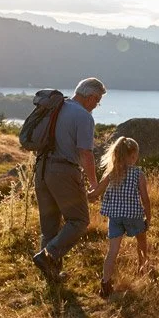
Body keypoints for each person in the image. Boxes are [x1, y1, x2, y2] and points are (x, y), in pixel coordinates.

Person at [32, 77, 106, 284]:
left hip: (41, 169)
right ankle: (48, 255)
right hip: (63, 171)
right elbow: (86, 154)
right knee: (79, 220)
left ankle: (52, 276)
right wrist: (94, 183)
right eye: (98, 101)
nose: (96, 105)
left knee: (49, 227)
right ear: (91, 97)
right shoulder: (83, 116)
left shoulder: (57, 107)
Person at [90, 137, 151, 299]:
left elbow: (96, 193)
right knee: (141, 241)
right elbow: (145, 199)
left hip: (115, 217)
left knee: (113, 250)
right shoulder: (138, 174)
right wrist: (148, 217)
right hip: (134, 216)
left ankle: (105, 283)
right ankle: (142, 267)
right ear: (132, 156)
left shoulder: (111, 174)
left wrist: (85, 194)